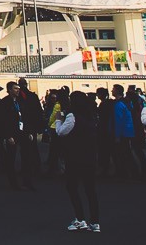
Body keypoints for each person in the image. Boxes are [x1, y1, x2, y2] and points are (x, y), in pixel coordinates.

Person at [56, 91, 102, 233]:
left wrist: (58, 119)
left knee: (72, 187)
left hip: (75, 156)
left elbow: (61, 132)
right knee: (90, 190)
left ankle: (80, 218)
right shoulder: (91, 116)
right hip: (90, 156)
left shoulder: (72, 116)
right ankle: (94, 222)